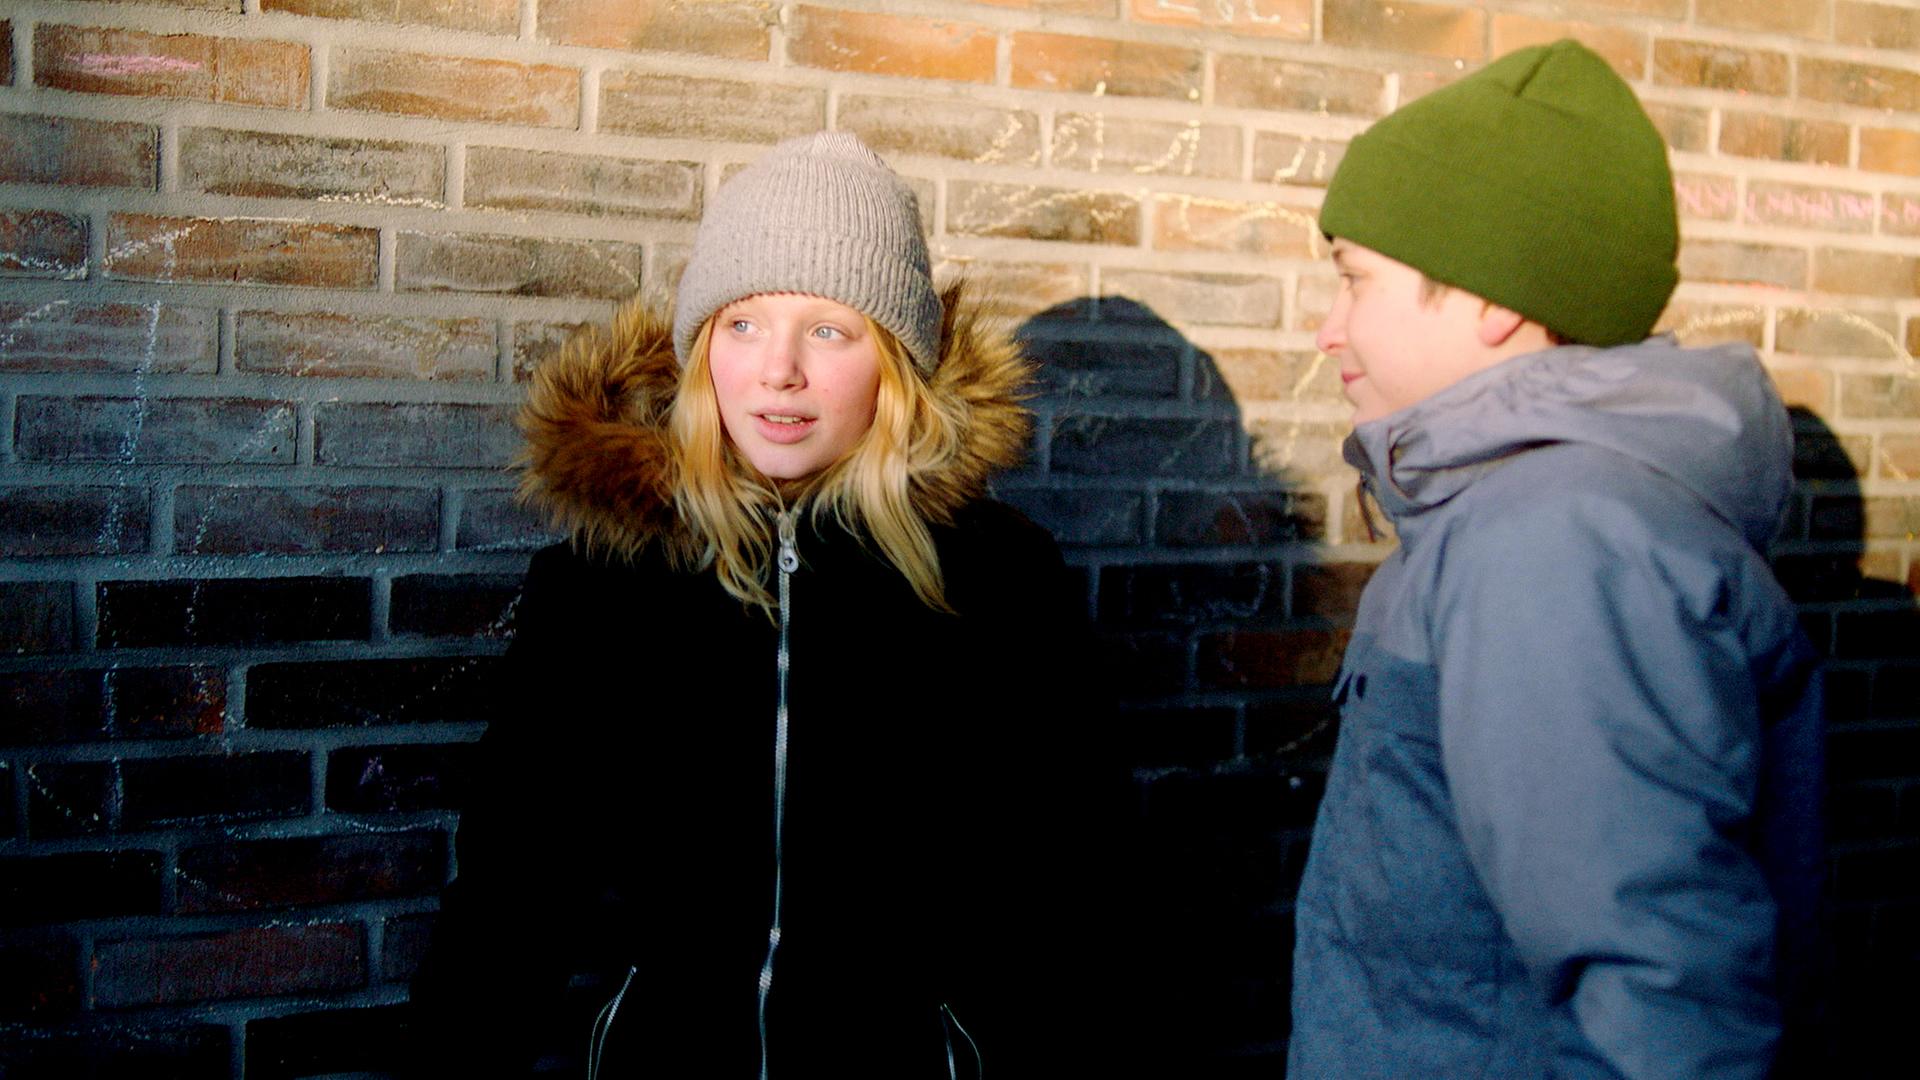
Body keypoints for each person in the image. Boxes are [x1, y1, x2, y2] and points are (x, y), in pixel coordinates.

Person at [408, 132, 1111, 1078]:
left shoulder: (999, 579)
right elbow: (515, 891)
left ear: (895, 364)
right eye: (743, 324)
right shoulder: (604, 580)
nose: (779, 370)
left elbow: (1071, 894)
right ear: (702, 351)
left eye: (829, 329)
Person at [1287, 40, 1825, 1079]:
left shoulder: (1554, 540)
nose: (1328, 328)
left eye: (1356, 280)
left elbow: (1663, 991)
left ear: (1491, 295)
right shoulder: (1511, 512)